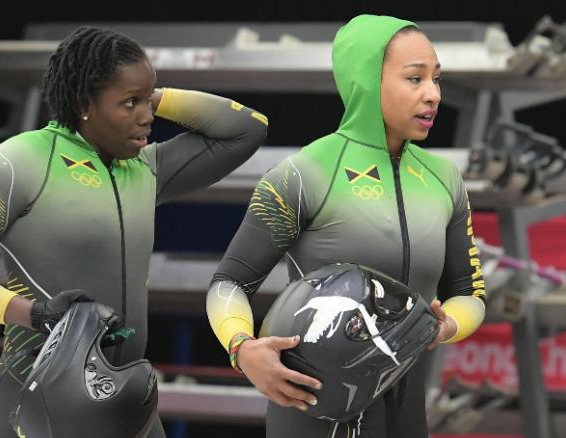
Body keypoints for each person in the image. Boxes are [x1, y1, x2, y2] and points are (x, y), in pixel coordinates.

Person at [0, 26, 268, 438]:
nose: (147, 117)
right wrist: (32, 313)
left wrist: (145, 92)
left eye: (148, 101)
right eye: (130, 103)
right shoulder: (20, 161)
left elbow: (247, 128)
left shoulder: (146, 167)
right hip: (40, 400)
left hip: (125, 401)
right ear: (85, 103)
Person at [206, 14, 486, 438]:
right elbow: (229, 283)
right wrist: (242, 348)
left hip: (406, 415)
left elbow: (469, 293)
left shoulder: (444, 179)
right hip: (309, 413)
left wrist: (445, 325)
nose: (433, 94)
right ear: (366, 81)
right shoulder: (304, 174)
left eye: (436, 79)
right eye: (415, 78)